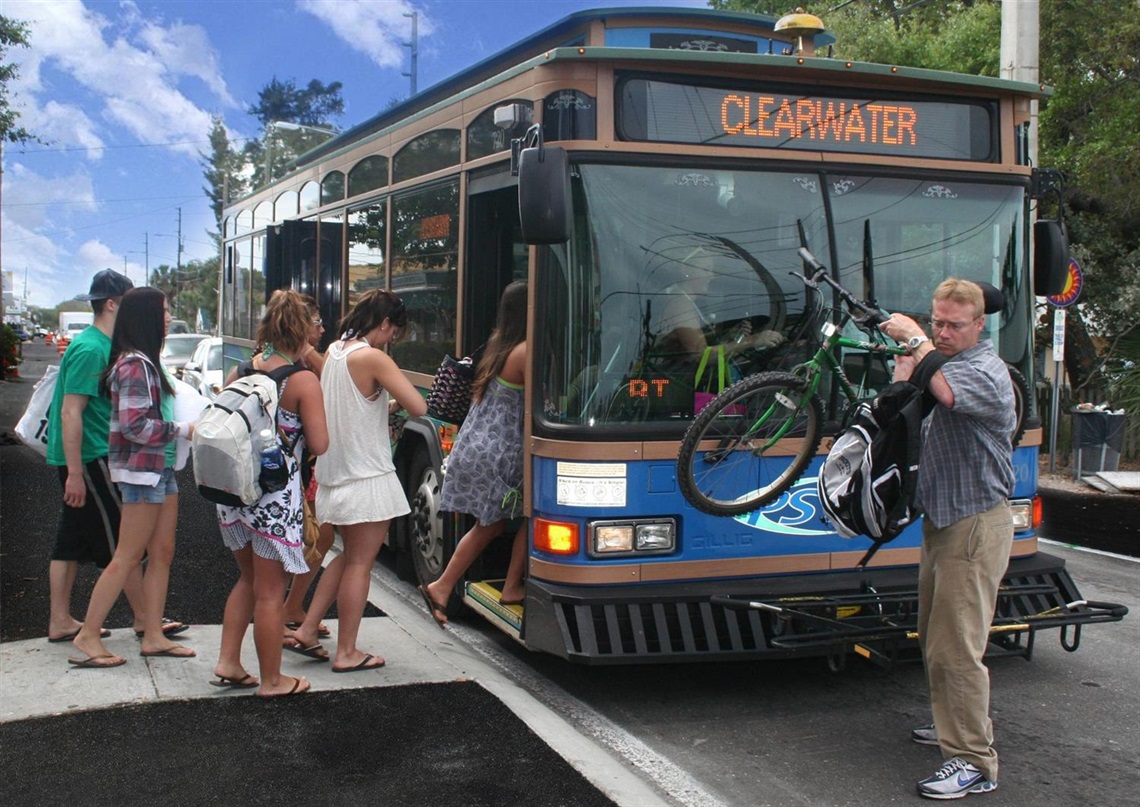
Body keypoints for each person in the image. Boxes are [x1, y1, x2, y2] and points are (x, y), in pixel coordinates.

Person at [879, 279, 1016, 800]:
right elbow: (901, 400)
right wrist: (903, 360)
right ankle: (950, 724)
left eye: (955, 324)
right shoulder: (941, 362)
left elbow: (946, 392)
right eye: (937, 322)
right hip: (943, 522)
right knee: (935, 640)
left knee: (956, 648)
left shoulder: (985, 371)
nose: (944, 331)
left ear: (979, 325)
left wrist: (916, 340)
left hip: (976, 524)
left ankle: (972, 761)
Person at [287, 289, 426, 672]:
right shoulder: (373, 357)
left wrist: (382, 401)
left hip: (335, 473)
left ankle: (309, 629)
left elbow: (352, 403)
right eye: (394, 332)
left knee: (348, 557)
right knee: (360, 564)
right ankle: (347, 652)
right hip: (366, 474)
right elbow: (420, 406)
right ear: (384, 323)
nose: (392, 339)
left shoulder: (334, 351)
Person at [69, 287, 196, 668]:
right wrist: (184, 428)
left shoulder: (141, 361)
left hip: (155, 469)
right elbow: (135, 426)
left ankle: (153, 634)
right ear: (144, 317)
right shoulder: (135, 364)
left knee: (161, 553)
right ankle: (88, 634)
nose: (169, 316)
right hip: (143, 472)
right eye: (164, 310)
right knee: (127, 556)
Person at [213, 289, 329, 697]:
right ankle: (273, 681)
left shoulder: (241, 370)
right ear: (301, 332)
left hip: (234, 493)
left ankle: (228, 661)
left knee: (247, 579)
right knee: (270, 592)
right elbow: (320, 443)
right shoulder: (301, 381)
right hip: (274, 499)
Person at [421, 281, 528, 627]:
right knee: (532, 513)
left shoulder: (499, 344)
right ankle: (509, 586)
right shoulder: (527, 351)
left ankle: (443, 585)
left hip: (479, 443)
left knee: (491, 525)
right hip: (501, 450)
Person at [282, 296, 335, 638]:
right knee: (316, 540)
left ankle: (292, 607)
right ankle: (287, 612)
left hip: (288, 470)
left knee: (314, 540)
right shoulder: (301, 370)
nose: (323, 330)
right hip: (298, 470)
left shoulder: (262, 362)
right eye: (316, 324)